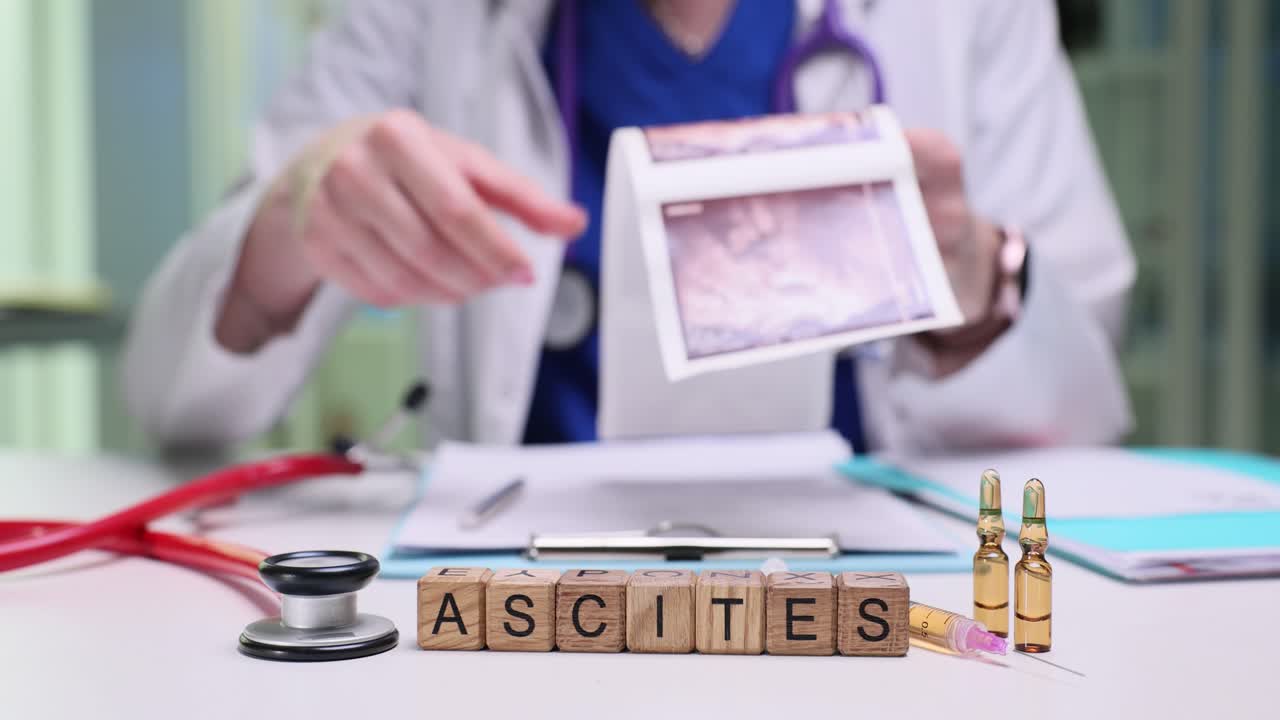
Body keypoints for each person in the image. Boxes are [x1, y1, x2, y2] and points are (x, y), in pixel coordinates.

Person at [121, 0, 1134, 453]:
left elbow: (1083, 402)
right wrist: (296, 223)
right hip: (522, 614)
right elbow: (173, 399)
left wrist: (967, 285)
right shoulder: (430, 14)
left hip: (860, 610)